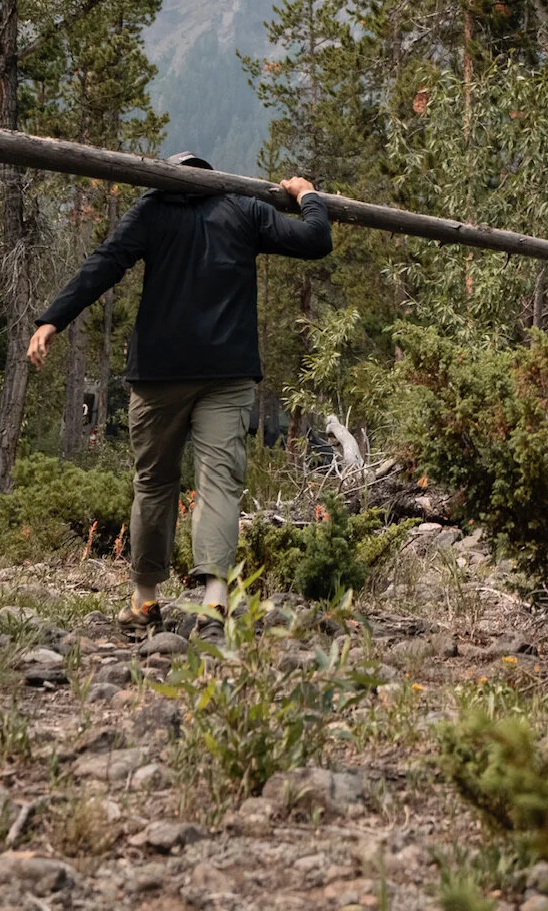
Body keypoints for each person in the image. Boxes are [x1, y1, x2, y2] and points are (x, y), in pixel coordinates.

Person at [26, 154, 331, 631]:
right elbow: (316, 239)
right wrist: (306, 194)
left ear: (165, 177)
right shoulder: (244, 209)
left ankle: (145, 600)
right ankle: (213, 601)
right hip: (226, 373)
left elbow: (104, 264)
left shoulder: (152, 210)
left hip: (159, 375)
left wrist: (52, 320)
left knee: (154, 483)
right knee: (219, 484)